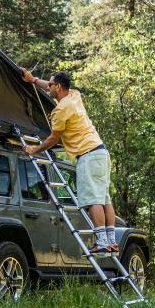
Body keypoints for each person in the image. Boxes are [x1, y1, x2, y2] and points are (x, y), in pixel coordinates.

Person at [20, 69, 117, 255]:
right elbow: (49, 86)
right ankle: (111, 241)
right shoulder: (74, 95)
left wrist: (34, 150)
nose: (48, 87)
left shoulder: (60, 110)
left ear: (58, 86)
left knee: (93, 200)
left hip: (87, 155)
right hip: (100, 152)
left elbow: (52, 139)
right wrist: (33, 80)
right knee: (104, 198)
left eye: (51, 85)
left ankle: (102, 242)